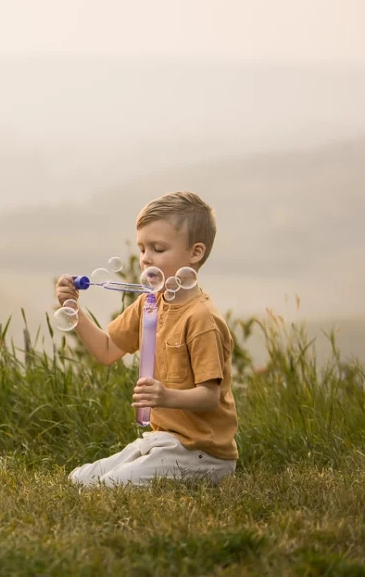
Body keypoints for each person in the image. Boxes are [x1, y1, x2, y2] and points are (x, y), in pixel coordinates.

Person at [55, 192, 238, 487]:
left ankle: (207, 474)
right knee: (79, 479)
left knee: (107, 486)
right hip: (164, 441)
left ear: (195, 253)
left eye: (158, 249)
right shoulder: (150, 303)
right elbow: (106, 350)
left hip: (204, 453)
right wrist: (73, 310)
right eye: (142, 249)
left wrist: (165, 397)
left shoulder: (201, 319)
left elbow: (210, 396)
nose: (145, 259)